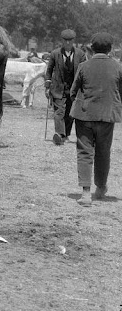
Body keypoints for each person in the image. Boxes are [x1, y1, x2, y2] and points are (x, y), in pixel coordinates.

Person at [69, 32, 122, 207]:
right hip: (107, 117)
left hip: (84, 116)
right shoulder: (118, 67)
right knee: (103, 152)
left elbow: (73, 92)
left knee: (84, 152)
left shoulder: (83, 66)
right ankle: (100, 188)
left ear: (92, 48)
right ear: (110, 49)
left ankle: (85, 193)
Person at [44, 29, 86, 145]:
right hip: (58, 88)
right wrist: (47, 87)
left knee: (70, 114)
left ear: (73, 41)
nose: (68, 43)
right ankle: (59, 135)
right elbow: (49, 71)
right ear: (62, 40)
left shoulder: (81, 54)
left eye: (70, 40)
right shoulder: (55, 54)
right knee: (59, 112)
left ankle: (66, 134)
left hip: (74, 89)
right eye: (65, 40)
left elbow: (84, 72)